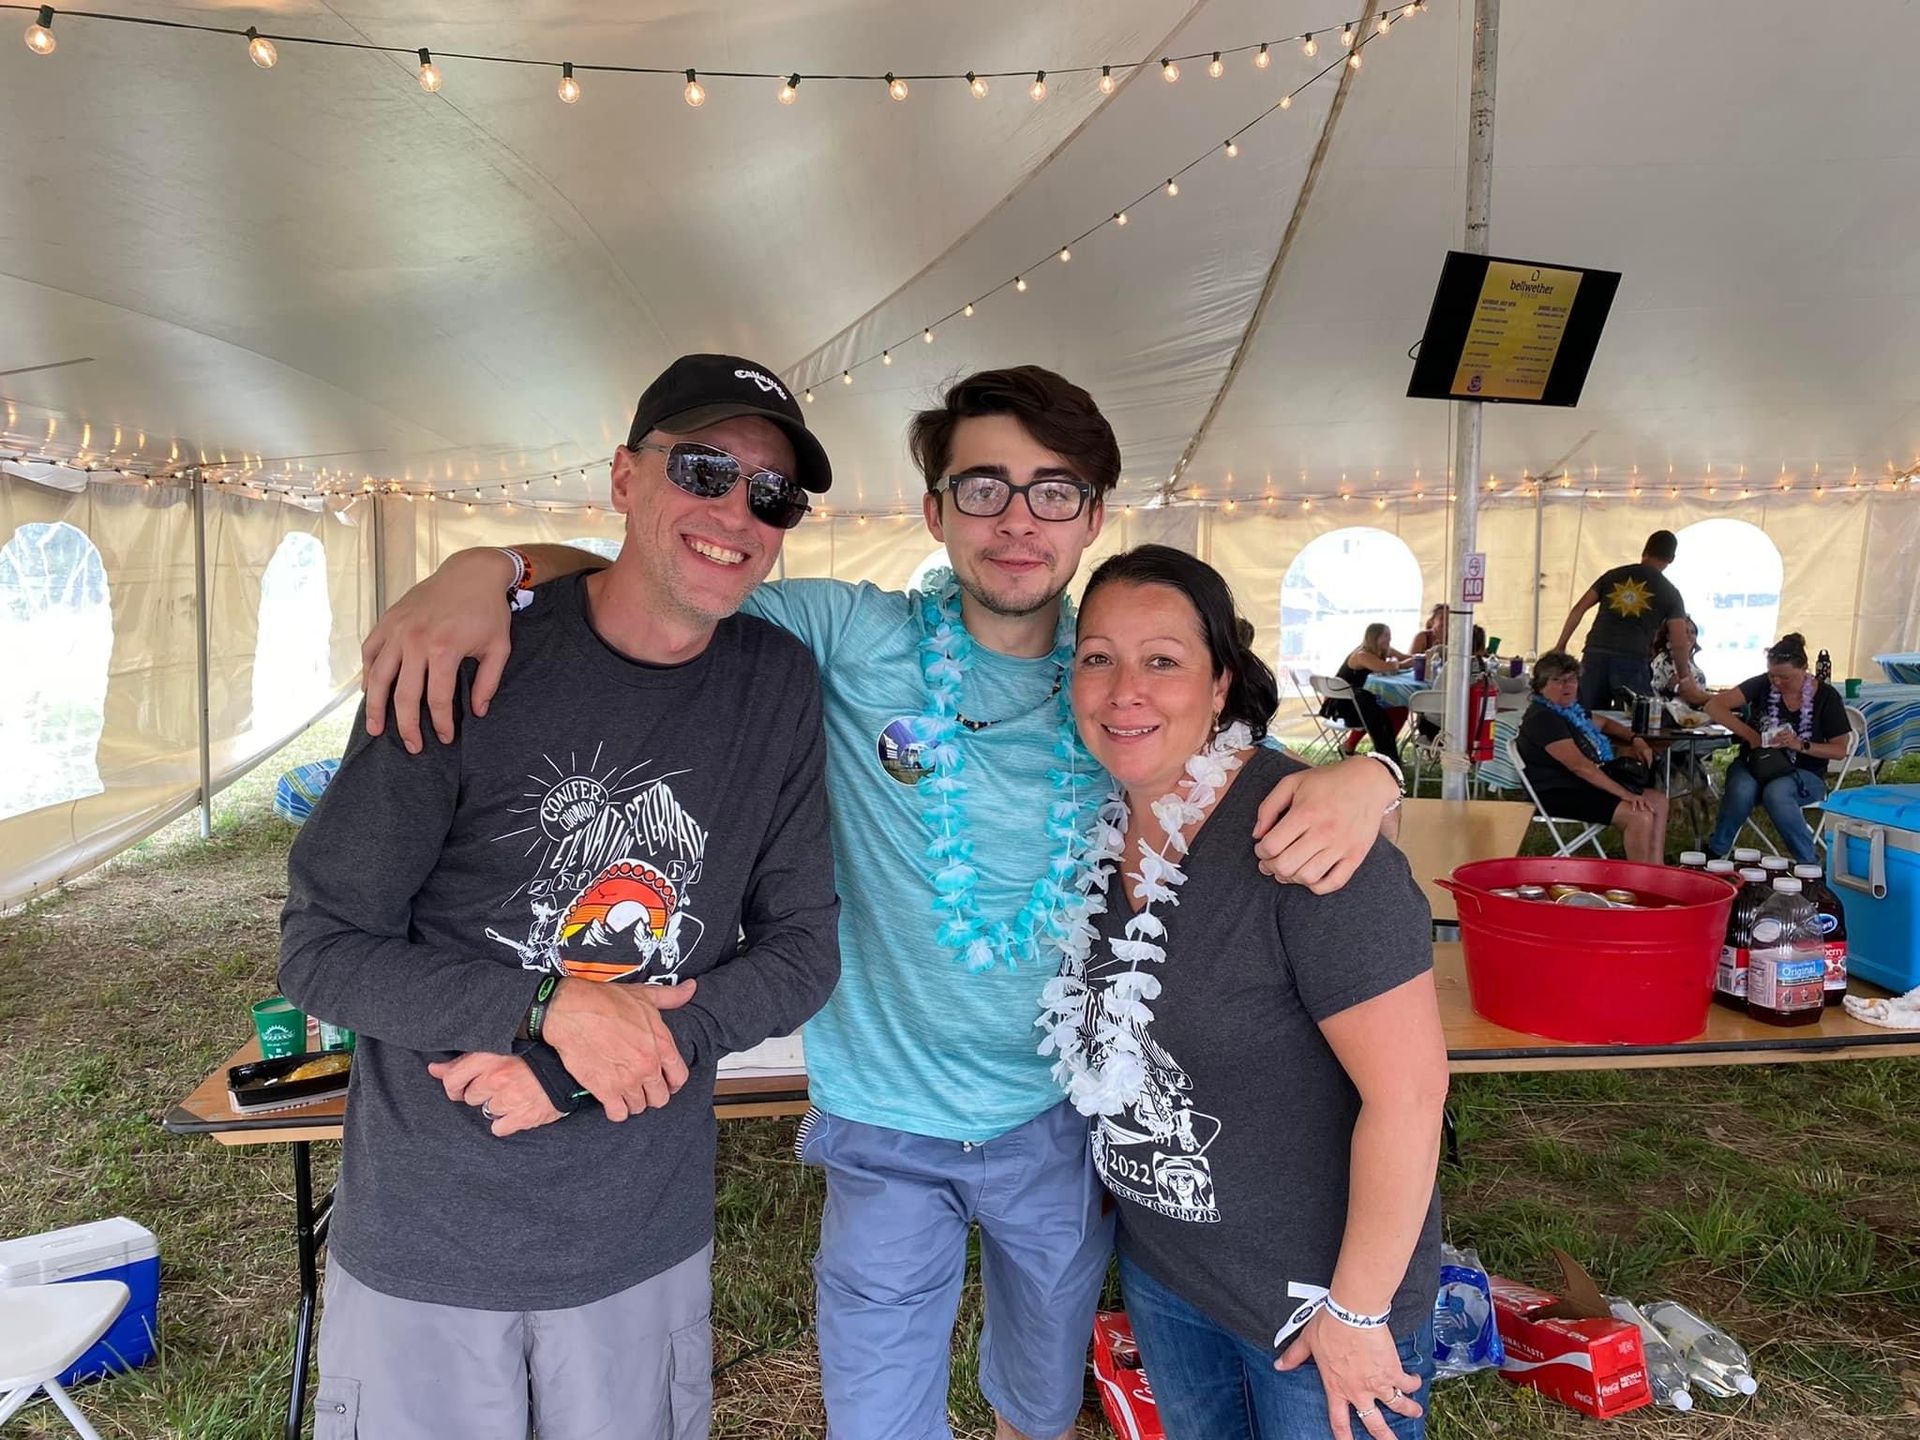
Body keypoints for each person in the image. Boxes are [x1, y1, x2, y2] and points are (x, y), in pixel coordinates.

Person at [355, 366, 1405, 1440]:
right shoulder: (850, 634)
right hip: (883, 1114)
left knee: (1040, 1400)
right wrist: (489, 568)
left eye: (1054, 492)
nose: (1017, 521)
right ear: (935, 511)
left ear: (1093, 517)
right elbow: (675, 573)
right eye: (982, 487)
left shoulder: (1111, 676)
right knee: (878, 1413)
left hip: (1057, 1113)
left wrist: (1374, 777)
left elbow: (1230, 768)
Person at [277, 354, 844, 1438]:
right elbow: (322, 950)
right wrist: (548, 1006)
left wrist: (577, 1062)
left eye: (773, 493)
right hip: (430, 1240)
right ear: (625, 477)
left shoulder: (773, 684)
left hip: (638, 1240)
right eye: (704, 470)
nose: (737, 511)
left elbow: (802, 948)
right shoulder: (469, 657)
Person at [1048, 545, 1445, 1440]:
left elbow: (1412, 1097)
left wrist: (1357, 1313)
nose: (1124, 691)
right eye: (1098, 657)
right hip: (1169, 1274)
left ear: (1221, 682)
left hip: (1316, 1304)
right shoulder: (1087, 827)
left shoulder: (1305, 837)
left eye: (1162, 660)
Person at [1705, 632, 1851, 864]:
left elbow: (1839, 750)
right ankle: (1716, 853)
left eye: (1785, 677)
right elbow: (1714, 706)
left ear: (1804, 669)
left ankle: (1809, 865)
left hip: (1804, 772)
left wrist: (1799, 744)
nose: (1777, 682)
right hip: (1756, 763)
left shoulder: (1826, 696)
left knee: (1777, 792)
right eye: (1772, 675)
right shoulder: (1763, 684)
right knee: (1741, 788)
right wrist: (1751, 736)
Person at [1516, 651, 1669, 863]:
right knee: (1638, 815)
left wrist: (1636, 739)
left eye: (1571, 679)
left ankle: (1658, 870)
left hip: (1581, 785)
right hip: (1555, 792)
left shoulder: (1571, 710)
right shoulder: (1543, 718)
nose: (1567, 686)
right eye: (1557, 680)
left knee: (1658, 802)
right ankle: (1639, 878)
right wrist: (1625, 794)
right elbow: (1581, 767)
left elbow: (1605, 723)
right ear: (1541, 686)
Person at [1553, 529, 1692, 712]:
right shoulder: (1670, 592)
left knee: (1585, 717)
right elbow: (1679, 641)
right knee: (1634, 719)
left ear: (1645, 550)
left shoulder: (1612, 576)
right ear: (1671, 558)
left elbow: (1578, 609)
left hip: (1595, 655)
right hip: (1633, 660)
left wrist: (1561, 645)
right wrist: (1684, 677)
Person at [1323, 624, 1409, 773]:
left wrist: (1419, 658)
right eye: (1385, 635)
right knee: (1382, 714)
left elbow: (1405, 658)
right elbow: (1386, 667)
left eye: (1389, 635)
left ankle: (1386, 754)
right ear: (1374, 637)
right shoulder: (1362, 654)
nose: (1389, 638)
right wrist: (1399, 663)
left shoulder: (1382, 650)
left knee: (1399, 708)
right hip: (1344, 705)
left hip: (1361, 700)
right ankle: (1387, 758)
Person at [1650, 615, 1711, 710]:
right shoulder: (1668, 659)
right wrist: (1721, 698)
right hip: (1675, 714)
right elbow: (1689, 694)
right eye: (1685, 632)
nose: (1689, 636)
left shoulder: (1688, 661)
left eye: (1693, 632)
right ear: (1669, 636)